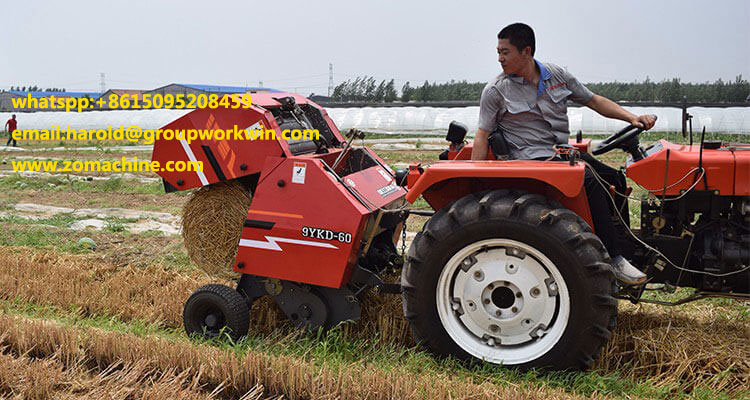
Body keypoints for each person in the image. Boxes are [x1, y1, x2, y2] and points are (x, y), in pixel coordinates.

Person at [471, 23, 656, 285]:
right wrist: (475, 180)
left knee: (615, 179)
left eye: (505, 52)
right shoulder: (496, 90)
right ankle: (612, 260)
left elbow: (593, 100)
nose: (499, 58)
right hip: (531, 161)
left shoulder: (556, 76)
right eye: (498, 52)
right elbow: (482, 134)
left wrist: (632, 117)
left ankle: (626, 250)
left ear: (527, 51)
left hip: (562, 155)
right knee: (590, 182)